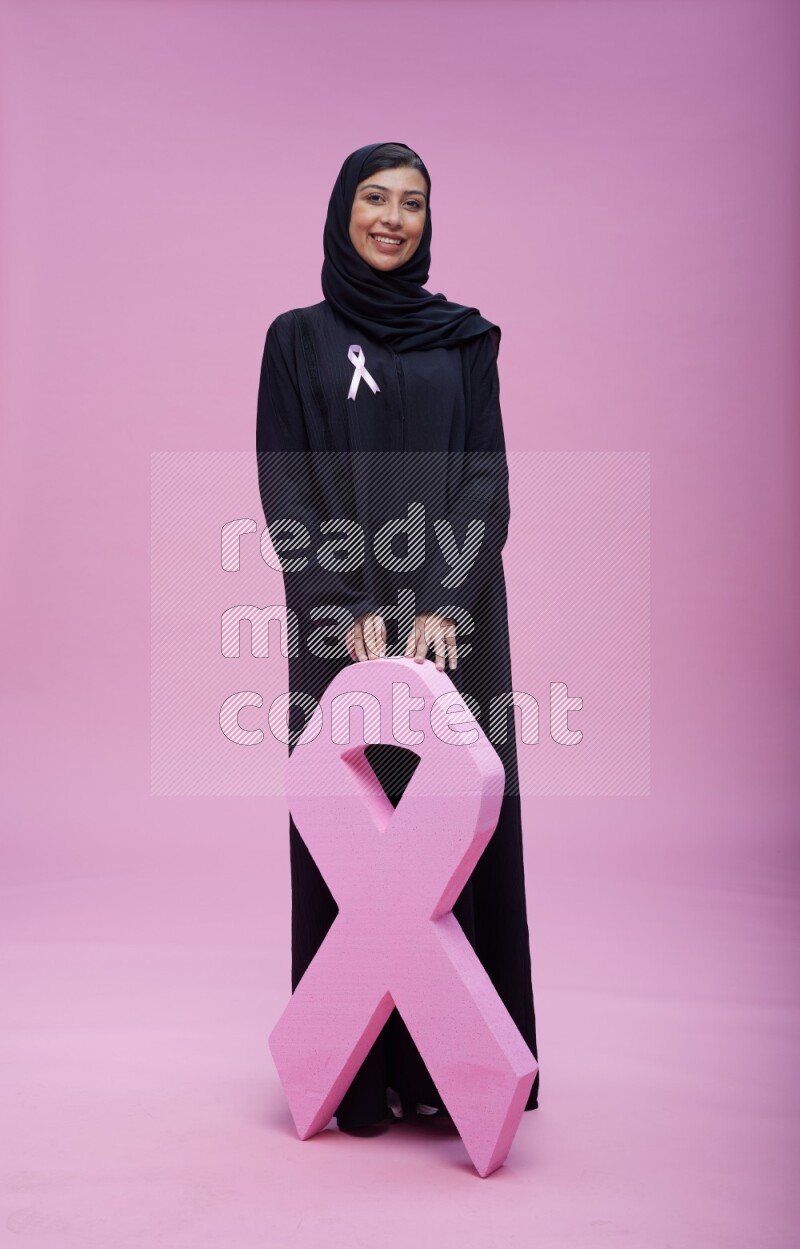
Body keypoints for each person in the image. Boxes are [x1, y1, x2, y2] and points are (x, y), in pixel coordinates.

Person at [256, 141, 539, 1133]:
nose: (391, 216)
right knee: (354, 829)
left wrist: (445, 601)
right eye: (373, 198)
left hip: (451, 623)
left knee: (456, 826)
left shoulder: (462, 339)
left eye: (411, 202)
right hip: (343, 622)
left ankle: (455, 1069)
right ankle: (361, 1074)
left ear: (428, 219)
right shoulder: (294, 339)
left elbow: (483, 480)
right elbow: (286, 483)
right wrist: (339, 606)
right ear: (341, 210)